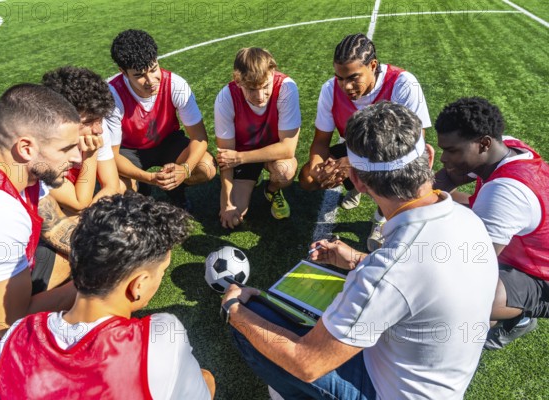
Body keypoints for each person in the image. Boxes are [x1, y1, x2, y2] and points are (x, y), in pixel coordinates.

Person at [222, 102, 497, 399]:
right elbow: (422, 283)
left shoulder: (388, 271)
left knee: (252, 318)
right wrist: (357, 259)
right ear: (429, 158)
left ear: (357, 181)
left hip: (385, 388)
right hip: (435, 382)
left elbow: (306, 363)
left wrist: (234, 310)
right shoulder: (469, 219)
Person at [0, 191, 216, 400]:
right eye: (161, 272)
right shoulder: (161, 339)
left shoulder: (16, 335)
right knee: (206, 378)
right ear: (138, 285)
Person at [0, 84, 81, 399]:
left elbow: (56, 223)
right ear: (25, 147)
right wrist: (99, 286)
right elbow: (9, 323)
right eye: (66, 149)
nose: (77, 159)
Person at [298, 33, 431, 251]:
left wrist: (351, 163)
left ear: (373, 65)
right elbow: (321, 141)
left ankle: (383, 215)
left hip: (394, 157)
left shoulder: (403, 83)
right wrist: (319, 168)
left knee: (393, 177)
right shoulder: (330, 89)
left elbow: (414, 146)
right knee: (307, 179)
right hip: (353, 150)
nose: (346, 86)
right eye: (340, 78)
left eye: (353, 78)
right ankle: (357, 187)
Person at [434, 97, 549, 350]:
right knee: (437, 203)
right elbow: (444, 182)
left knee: (466, 296)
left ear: (484, 143)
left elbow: (471, 268)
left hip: (543, 277)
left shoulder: (505, 193)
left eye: (452, 150)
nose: (443, 158)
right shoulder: (504, 146)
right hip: (526, 243)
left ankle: (519, 317)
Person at [104, 29, 216, 209]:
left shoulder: (175, 84)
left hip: (167, 142)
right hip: (129, 150)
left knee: (206, 167)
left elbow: (199, 137)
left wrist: (185, 169)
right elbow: (111, 155)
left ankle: (174, 189)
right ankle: (142, 191)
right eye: (139, 75)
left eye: (153, 69)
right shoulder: (111, 95)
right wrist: (149, 178)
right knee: (117, 187)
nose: (150, 80)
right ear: (123, 72)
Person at [214, 47, 301, 227]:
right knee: (235, 216)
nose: (260, 96)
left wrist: (240, 157)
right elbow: (226, 157)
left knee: (285, 172)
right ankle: (247, 183)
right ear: (238, 80)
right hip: (241, 159)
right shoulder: (226, 98)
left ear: (273, 73)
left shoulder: (287, 88)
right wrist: (227, 203)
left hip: (272, 155)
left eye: (265, 86)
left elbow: (288, 148)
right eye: (252, 89)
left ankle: (271, 189)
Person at [42, 66, 122, 214]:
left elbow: (112, 185)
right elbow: (79, 203)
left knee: (121, 188)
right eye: (88, 122)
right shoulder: (42, 149)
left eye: (100, 120)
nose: (99, 130)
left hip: (78, 190)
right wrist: (90, 156)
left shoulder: (94, 124)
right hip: (41, 206)